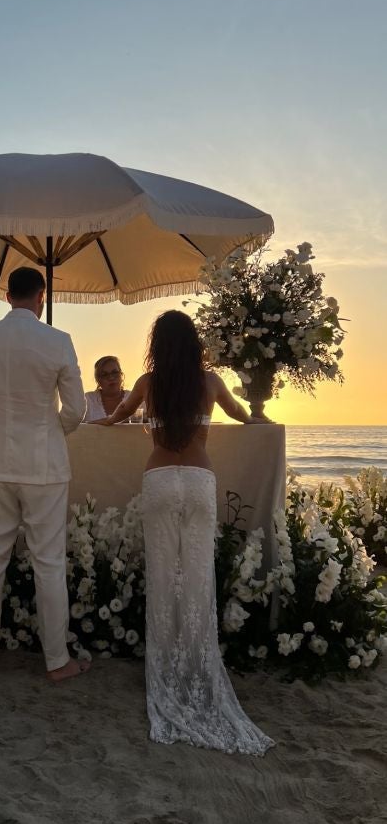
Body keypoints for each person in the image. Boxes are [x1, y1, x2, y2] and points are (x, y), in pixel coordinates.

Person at [92, 310, 274, 755]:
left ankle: (166, 668)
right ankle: (195, 666)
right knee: (196, 580)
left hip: (158, 482)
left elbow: (113, 418)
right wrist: (263, 410)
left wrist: (78, 426)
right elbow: (245, 416)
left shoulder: (147, 384)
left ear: (158, 345)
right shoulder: (209, 382)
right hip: (198, 482)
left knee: (162, 578)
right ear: (193, 344)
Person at [0, 266, 88, 682]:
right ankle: (56, 662)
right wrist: (50, 431)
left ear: (6, 294)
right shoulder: (58, 341)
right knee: (49, 564)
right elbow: (76, 411)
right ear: (42, 296)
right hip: (44, 464)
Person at [84, 356, 135, 423]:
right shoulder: (87, 400)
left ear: (121, 375)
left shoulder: (134, 397)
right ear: (98, 380)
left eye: (115, 372)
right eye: (104, 374)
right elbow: (73, 425)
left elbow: (149, 421)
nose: (111, 378)